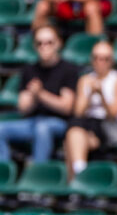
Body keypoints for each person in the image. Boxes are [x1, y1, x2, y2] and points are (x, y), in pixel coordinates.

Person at [0, 26, 78, 163]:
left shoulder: (68, 69)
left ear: (58, 43)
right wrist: (33, 96)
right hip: (32, 121)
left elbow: (67, 107)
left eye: (49, 42)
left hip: (58, 122)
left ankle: (36, 172)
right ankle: (4, 172)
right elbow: (23, 107)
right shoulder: (29, 70)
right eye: (39, 43)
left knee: (42, 128)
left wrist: (40, 94)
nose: (44, 46)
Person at [64, 41, 117, 179]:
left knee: (70, 139)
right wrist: (90, 94)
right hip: (86, 123)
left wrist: (101, 95)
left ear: (111, 61)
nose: (101, 62)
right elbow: (78, 112)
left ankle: (75, 177)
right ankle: (80, 172)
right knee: (74, 129)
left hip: (107, 126)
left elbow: (113, 114)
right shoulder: (85, 80)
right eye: (97, 58)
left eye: (105, 59)